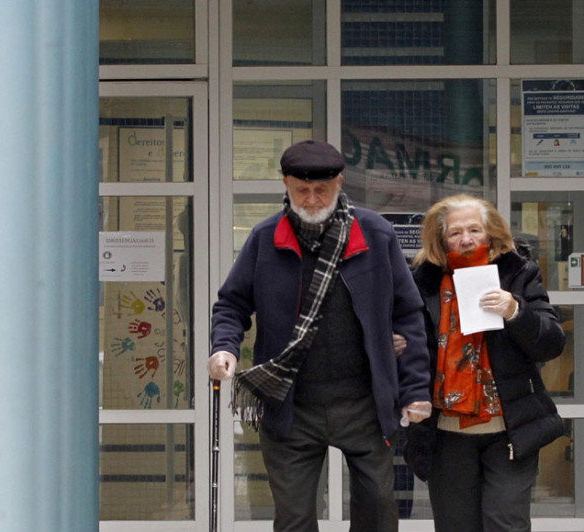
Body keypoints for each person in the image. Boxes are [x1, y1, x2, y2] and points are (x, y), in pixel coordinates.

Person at [208, 139, 432, 532]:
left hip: (364, 402)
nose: (311, 199)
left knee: (379, 510)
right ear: (286, 184)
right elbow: (232, 304)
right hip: (291, 403)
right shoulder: (265, 238)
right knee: (293, 519)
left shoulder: (375, 233)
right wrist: (224, 347)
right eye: (301, 190)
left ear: (340, 183)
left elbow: (408, 314)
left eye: (321, 189)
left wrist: (414, 389)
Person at [404, 194, 565, 531]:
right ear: (441, 239)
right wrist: (399, 345)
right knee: (455, 525)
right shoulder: (422, 283)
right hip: (446, 431)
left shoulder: (519, 273)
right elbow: (413, 347)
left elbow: (551, 343)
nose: (465, 239)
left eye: (474, 230)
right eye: (455, 233)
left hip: (508, 428)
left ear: (490, 234)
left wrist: (516, 311)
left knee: (505, 522)